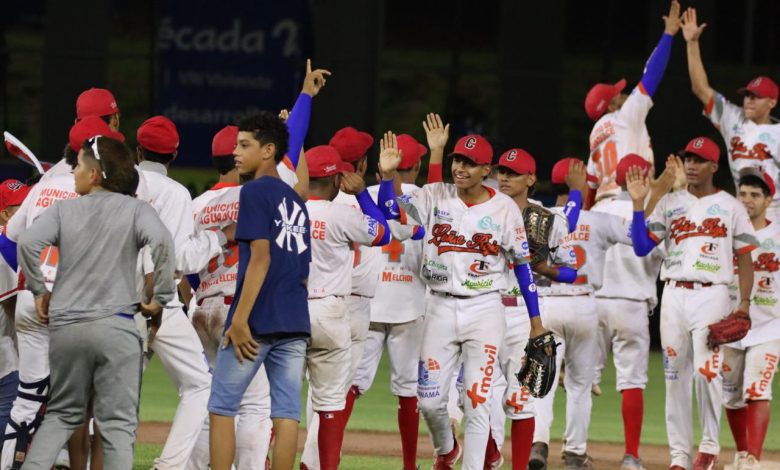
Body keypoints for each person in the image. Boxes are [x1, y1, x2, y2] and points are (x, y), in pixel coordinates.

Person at [376, 131, 544, 470]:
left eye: (470, 163)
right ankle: (447, 446)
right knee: (428, 400)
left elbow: (524, 267)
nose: (460, 167)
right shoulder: (434, 194)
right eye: (457, 160)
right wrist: (388, 175)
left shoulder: (504, 208)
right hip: (437, 305)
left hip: (484, 307)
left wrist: (536, 323)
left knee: (477, 400)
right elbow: (389, 209)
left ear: (487, 170)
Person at [16, 136, 175, 469]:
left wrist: (39, 291)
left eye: (81, 166)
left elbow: (28, 243)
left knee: (60, 415)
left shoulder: (64, 209)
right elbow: (161, 242)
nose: (74, 172)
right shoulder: (136, 209)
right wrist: (159, 298)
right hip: (116, 326)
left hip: (67, 328)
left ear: (96, 174)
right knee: (116, 426)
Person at [627, 136, 758, 470]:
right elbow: (641, 246)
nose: (692, 165)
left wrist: (743, 303)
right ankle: (679, 458)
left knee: (705, 372)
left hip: (712, 293)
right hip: (673, 294)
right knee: (674, 379)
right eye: (688, 159)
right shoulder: (671, 204)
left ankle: (710, 446)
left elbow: (745, 258)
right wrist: (639, 205)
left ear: (714, 166)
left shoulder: (730, 206)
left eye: (699, 160)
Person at [0, 116, 120, 470]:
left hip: (29, 297)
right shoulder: (96, 191)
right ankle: (66, 459)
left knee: (29, 399)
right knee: (78, 399)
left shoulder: (44, 186)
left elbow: (14, 237)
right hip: (70, 301)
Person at [207, 111, 312, 470]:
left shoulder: (254, 192)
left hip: (257, 321)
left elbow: (260, 259)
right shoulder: (296, 200)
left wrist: (239, 319)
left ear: (268, 151)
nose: (236, 151)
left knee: (221, 407)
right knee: (285, 414)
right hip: (296, 319)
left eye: (244, 145)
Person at [529, 157, 638, 470]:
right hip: (585, 304)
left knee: (543, 385)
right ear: (585, 185)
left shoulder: (538, 215)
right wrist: (643, 201)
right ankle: (575, 453)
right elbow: (640, 239)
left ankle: (539, 444)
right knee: (579, 386)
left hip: (548, 303)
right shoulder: (600, 220)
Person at [491, 149, 581, 470]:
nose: (504, 177)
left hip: (520, 311)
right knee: (478, 397)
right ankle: (488, 456)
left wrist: (540, 266)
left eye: (513, 172)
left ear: (530, 179)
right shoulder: (482, 208)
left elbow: (568, 268)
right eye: (501, 170)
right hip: (483, 307)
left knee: (521, 399)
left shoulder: (546, 219)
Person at [350, 134, 428, 470]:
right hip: (409, 304)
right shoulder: (426, 200)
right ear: (419, 165)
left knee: (351, 384)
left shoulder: (362, 194)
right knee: (407, 390)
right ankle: (410, 465)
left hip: (369, 300)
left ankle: (326, 456)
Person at [591, 155, 667, 470]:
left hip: (594, 304)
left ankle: (573, 448)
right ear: (644, 179)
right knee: (631, 382)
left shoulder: (596, 211)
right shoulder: (651, 215)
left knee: (583, 379)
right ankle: (631, 457)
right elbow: (661, 255)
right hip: (632, 305)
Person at [682, 7, 780, 222]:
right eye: (747, 95)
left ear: (772, 102)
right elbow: (700, 88)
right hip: (741, 213)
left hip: (774, 216)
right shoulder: (732, 118)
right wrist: (692, 43)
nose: (749, 100)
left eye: (756, 97)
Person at [585, 0, 681, 203]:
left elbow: (591, 184)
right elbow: (651, 77)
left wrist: (586, 214)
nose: (624, 95)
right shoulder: (625, 116)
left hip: (602, 207)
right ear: (611, 106)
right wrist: (668, 35)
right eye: (618, 95)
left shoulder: (595, 134)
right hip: (631, 200)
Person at [722, 168, 780, 470]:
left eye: (755, 195)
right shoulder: (726, 231)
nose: (747, 199)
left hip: (769, 326)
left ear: (768, 200)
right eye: (742, 193)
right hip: (730, 327)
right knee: (731, 396)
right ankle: (742, 454)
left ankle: (753, 458)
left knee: (757, 388)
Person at [0, 180, 30, 440]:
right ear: (5, 214)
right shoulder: (4, 245)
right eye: (20, 208)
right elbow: (11, 305)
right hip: (5, 353)